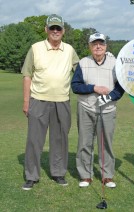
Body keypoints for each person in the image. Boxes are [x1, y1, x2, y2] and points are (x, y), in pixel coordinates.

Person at [21, 14, 79, 190]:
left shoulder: (69, 50)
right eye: (52, 28)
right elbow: (27, 75)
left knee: (60, 139)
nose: (55, 31)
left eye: (58, 28)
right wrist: (26, 102)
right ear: (46, 29)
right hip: (38, 100)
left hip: (62, 101)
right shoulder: (35, 48)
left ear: (63, 31)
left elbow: (80, 73)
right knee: (34, 140)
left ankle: (58, 173)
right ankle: (31, 176)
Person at [71, 33, 124, 188]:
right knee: (84, 142)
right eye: (94, 44)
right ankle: (85, 175)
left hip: (107, 109)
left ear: (106, 46)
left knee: (106, 143)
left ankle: (107, 176)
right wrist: (94, 88)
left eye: (101, 44)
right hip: (86, 107)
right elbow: (75, 86)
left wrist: (109, 97)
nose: (98, 47)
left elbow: (121, 87)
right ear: (90, 46)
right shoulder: (83, 63)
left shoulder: (115, 63)